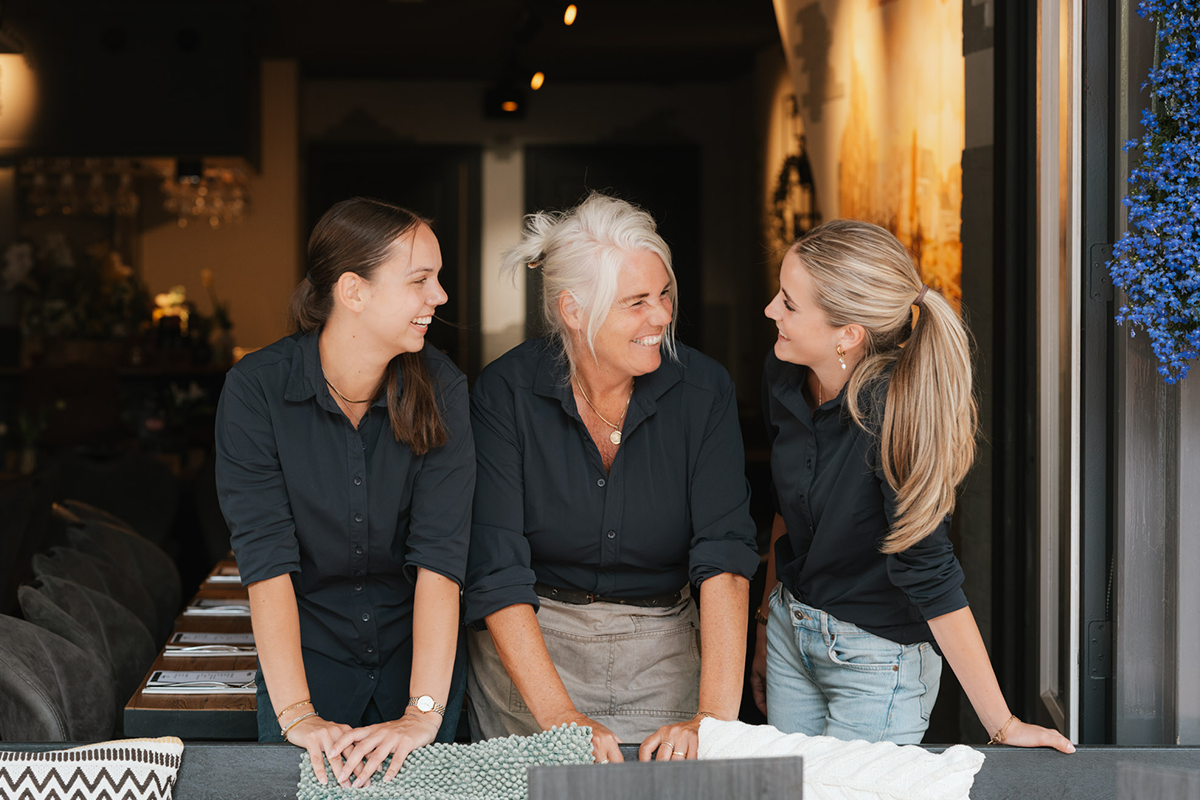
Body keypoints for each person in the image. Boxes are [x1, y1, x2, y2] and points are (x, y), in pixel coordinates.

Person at [752, 219, 1074, 753]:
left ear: (848, 334)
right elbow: (786, 513)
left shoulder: (892, 419)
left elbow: (930, 573)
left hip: (875, 661)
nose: (770, 310)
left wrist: (1002, 724)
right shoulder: (783, 375)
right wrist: (768, 626)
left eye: (789, 302)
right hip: (792, 633)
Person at [464, 193, 759, 764]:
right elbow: (495, 568)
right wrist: (561, 718)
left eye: (664, 294)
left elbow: (725, 556)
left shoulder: (703, 392)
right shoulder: (505, 393)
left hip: (662, 647)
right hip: (531, 653)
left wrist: (712, 720)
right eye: (636, 303)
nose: (662, 317)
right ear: (574, 310)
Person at [215, 197, 475, 789]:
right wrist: (298, 713)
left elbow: (442, 559)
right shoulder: (257, 392)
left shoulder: (444, 388)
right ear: (353, 291)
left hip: (421, 663)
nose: (439, 296)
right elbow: (266, 564)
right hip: (306, 667)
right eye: (420, 281)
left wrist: (421, 713)